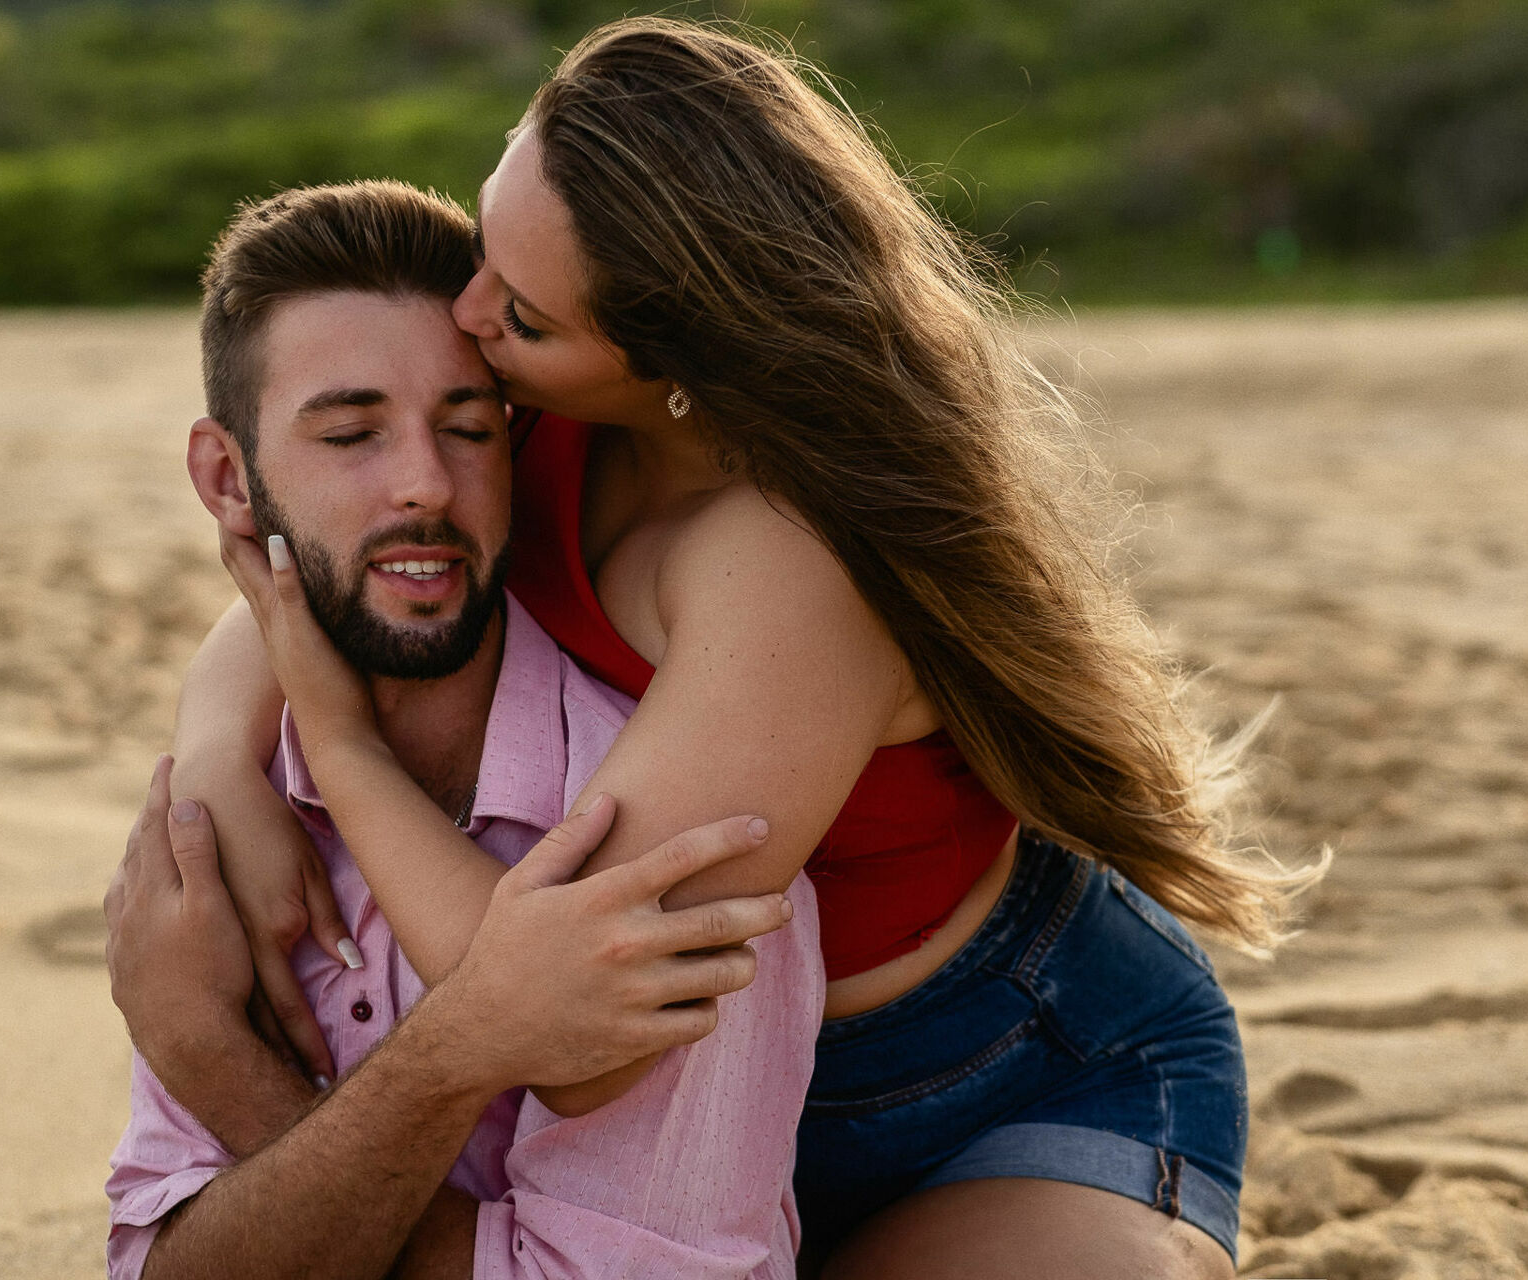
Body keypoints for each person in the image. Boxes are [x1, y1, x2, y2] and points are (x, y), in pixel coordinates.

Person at [171, 18, 1322, 1279]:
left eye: (527, 313)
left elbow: (582, 1024)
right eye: (493, 235)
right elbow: (320, 566)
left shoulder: (784, 560)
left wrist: (337, 746)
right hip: (702, 1112)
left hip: (991, 1075)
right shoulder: (540, 399)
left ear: (676, 362)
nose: (470, 313)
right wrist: (217, 756)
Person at [103, 180, 821, 1279]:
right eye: (351, 433)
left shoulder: (668, 829)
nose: (425, 486)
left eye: (467, 427)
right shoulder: (228, 814)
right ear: (227, 479)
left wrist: (214, 1054)